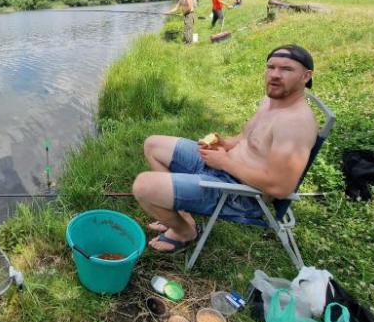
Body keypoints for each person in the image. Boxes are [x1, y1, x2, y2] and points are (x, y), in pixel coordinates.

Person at [132, 44, 318, 253]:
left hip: (243, 194)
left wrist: (225, 163)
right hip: (225, 166)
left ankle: (185, 233)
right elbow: (248, 138)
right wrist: (227, 144)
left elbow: (280, 187)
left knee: (143, 186)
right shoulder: (270, 100)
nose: (274, 75)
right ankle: (182, 215)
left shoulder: (296, 123)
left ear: (305, 76)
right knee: (153, 144)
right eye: (271, 67)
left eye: (286, 69)